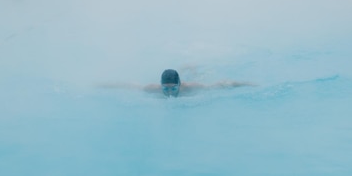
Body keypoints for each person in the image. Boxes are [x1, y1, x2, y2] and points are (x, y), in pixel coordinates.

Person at [98, 68, 253, 97]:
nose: (170, 93)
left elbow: (221, 84)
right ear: (160, 86)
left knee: (195, 73)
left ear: (180, 85)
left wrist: (247, 84)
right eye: (166, 89)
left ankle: (191, 67)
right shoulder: (152, 89)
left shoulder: (191, 88)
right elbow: (127, 85)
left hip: (192, 79)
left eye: (173, 89)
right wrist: (102, 84)